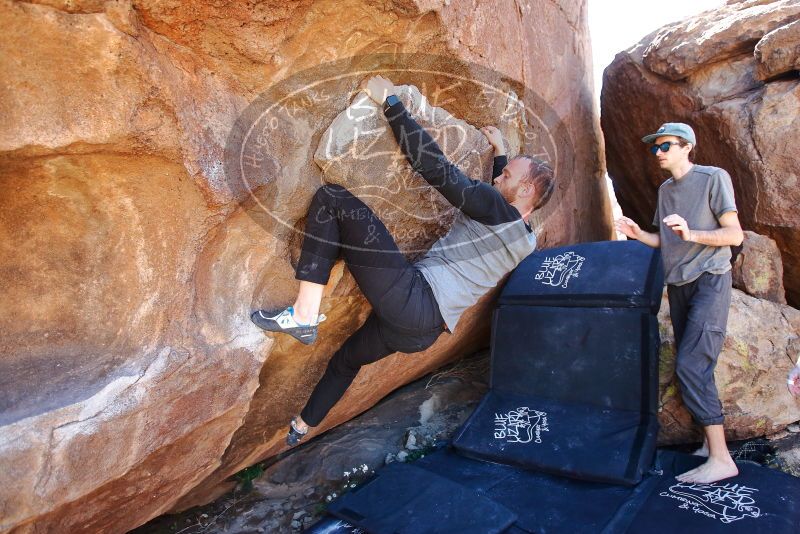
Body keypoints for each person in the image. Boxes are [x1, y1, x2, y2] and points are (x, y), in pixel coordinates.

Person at [251, 75, 555, 446]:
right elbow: (501, 202)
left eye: (506, 176)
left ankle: (303, 313)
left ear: (523, 190)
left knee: (332, 199)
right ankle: (303, 425)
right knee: (347, 360)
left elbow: (435, 169)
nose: (499, 178)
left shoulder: (493, 207)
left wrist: (391, 103)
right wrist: (501, 155)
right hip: (421, 332)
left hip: (414, 299)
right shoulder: (524, 240)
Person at [615, 122, 744, 484]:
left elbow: (733, 234)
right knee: (698, 366)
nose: (658, 153)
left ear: (687, 146)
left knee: (690, 364)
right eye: (655, 147)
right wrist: (639, 234)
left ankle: (722, 459)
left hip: (710, 280)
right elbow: (665, 242)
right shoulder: (665, 191)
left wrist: (693, 232)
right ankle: (708, 445)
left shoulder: (712, 178)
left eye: (665, 146)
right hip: (680, 286)